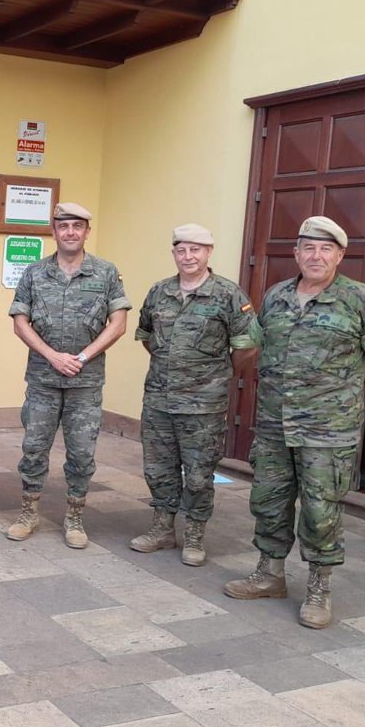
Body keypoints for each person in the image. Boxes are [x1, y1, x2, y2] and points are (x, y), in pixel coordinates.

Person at [224, 216, 365, 628]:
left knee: (321, 511)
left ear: (339, 255)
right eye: (308, 248)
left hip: (327, 430)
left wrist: (343, 397)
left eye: (325, 249)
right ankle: (269, 574)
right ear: (297, 253)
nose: (316, 256)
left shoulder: (361, 299)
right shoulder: (276, 296)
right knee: (268, 500)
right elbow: (256, 349)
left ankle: (319, 588)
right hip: (273, 425)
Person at [131, 224, 257, 565]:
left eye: (195, 250)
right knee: (158, 467)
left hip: (204, 403)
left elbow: (246, 347)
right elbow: (147, 336)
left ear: (208, 252)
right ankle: (162, 528)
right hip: (159, 398)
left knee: (200, 472)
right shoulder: (159, 292)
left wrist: (217, 373)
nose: (188, 256)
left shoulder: (229, 295)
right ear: (174, 253)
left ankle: (195, 535)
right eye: (181, 250)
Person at [6, 202, 130, 545]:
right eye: (64, 226)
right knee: (33, 447)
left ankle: (75, 517)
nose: (71, 232)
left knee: (81, 453)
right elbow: (20, 322)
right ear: (54, 231)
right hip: (44, 381)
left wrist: (82, 357)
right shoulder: (34, 273)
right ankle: (29, 512)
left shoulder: (106, 273)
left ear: (87, 231)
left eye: (77, 226)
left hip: (85, 384)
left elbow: (118, 323)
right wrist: (52, 356)